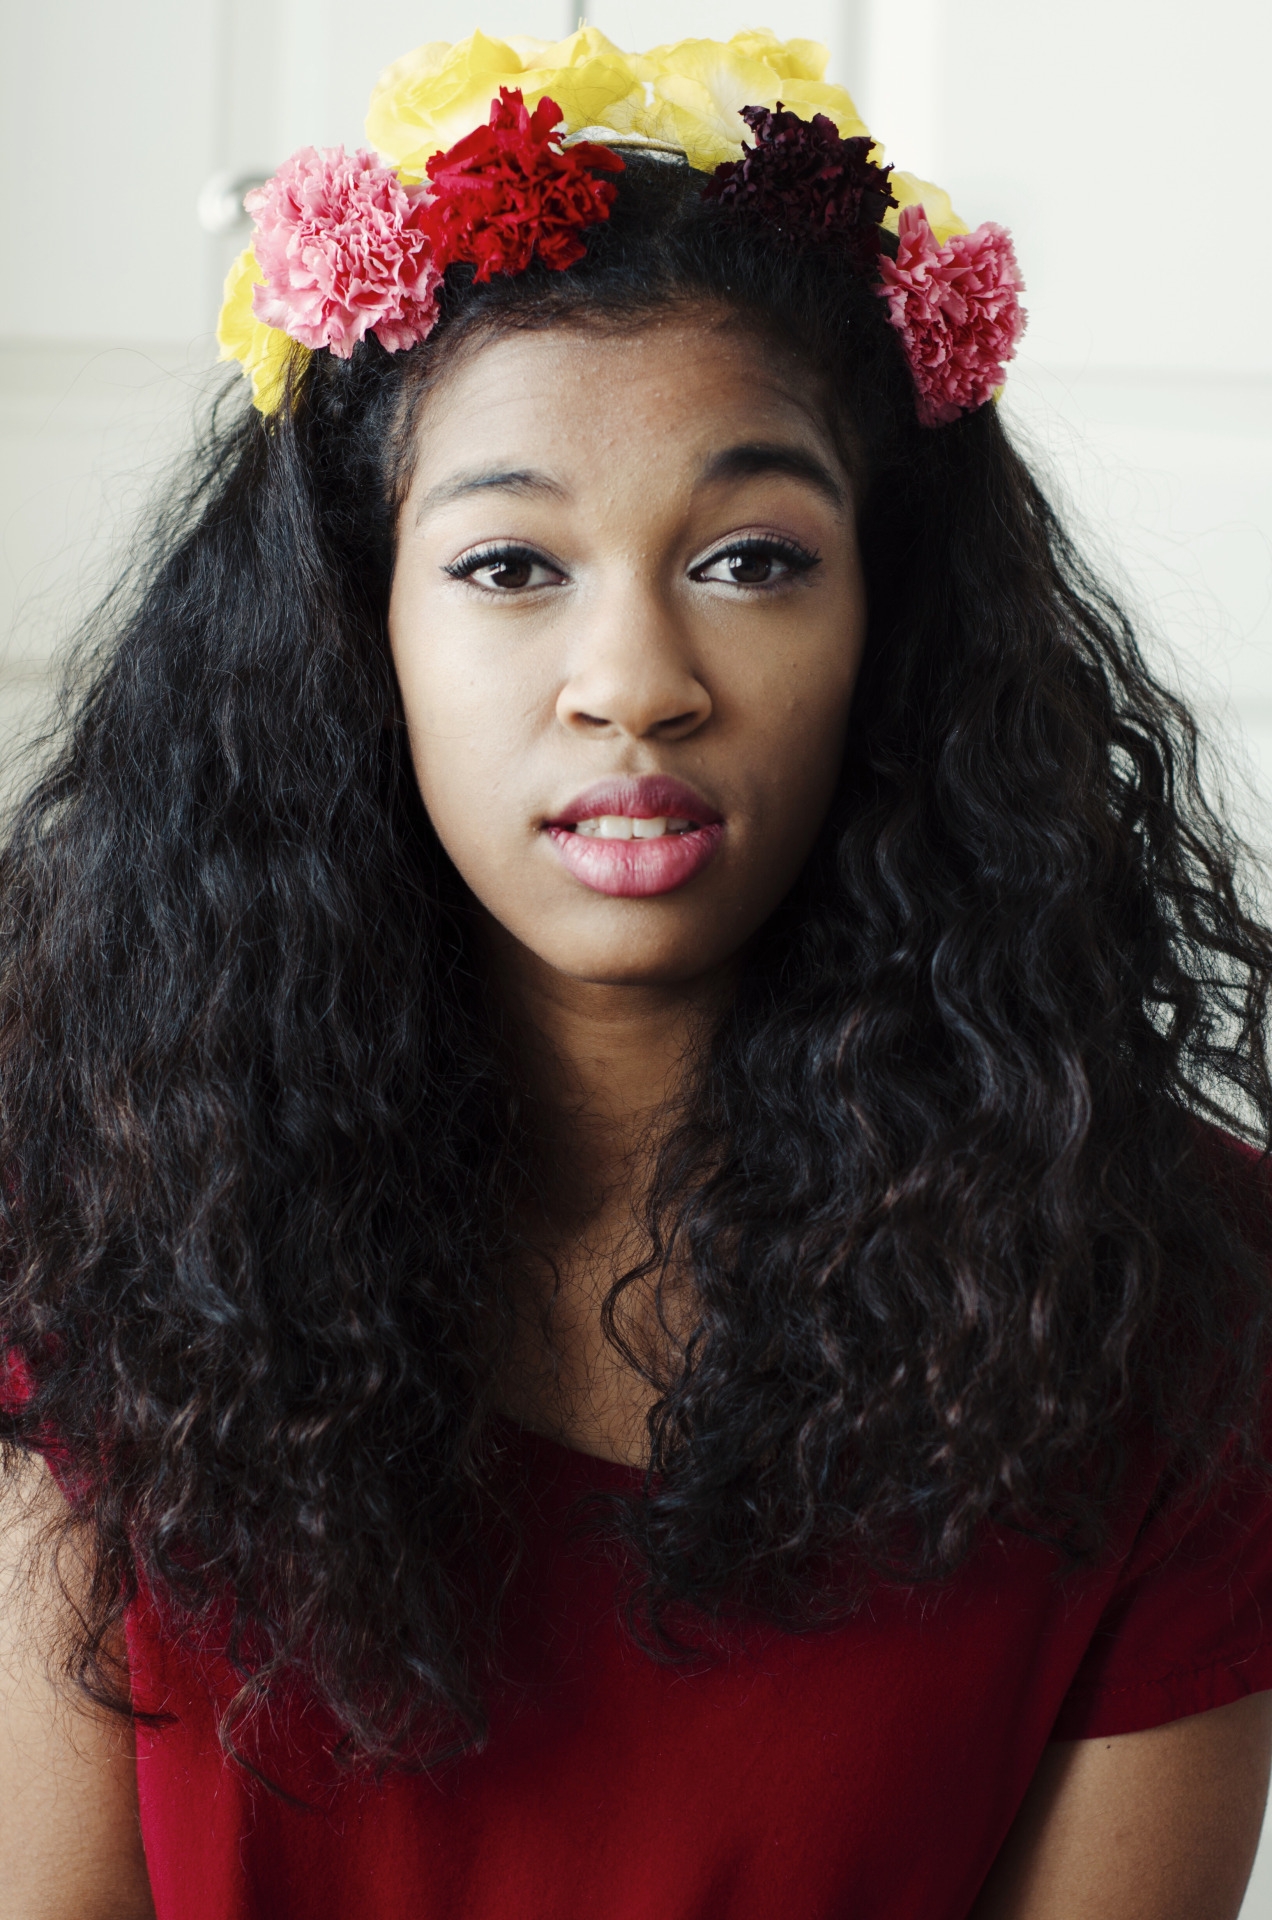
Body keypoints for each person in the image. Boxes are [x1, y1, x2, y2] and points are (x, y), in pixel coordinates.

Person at [3, 27, 1272, 1920]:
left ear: (888, 622)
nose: (636, 680)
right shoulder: (100, 1203)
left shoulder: (1185, 1294)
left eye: (755, 559)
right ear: (360, 634)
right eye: (512, 566)